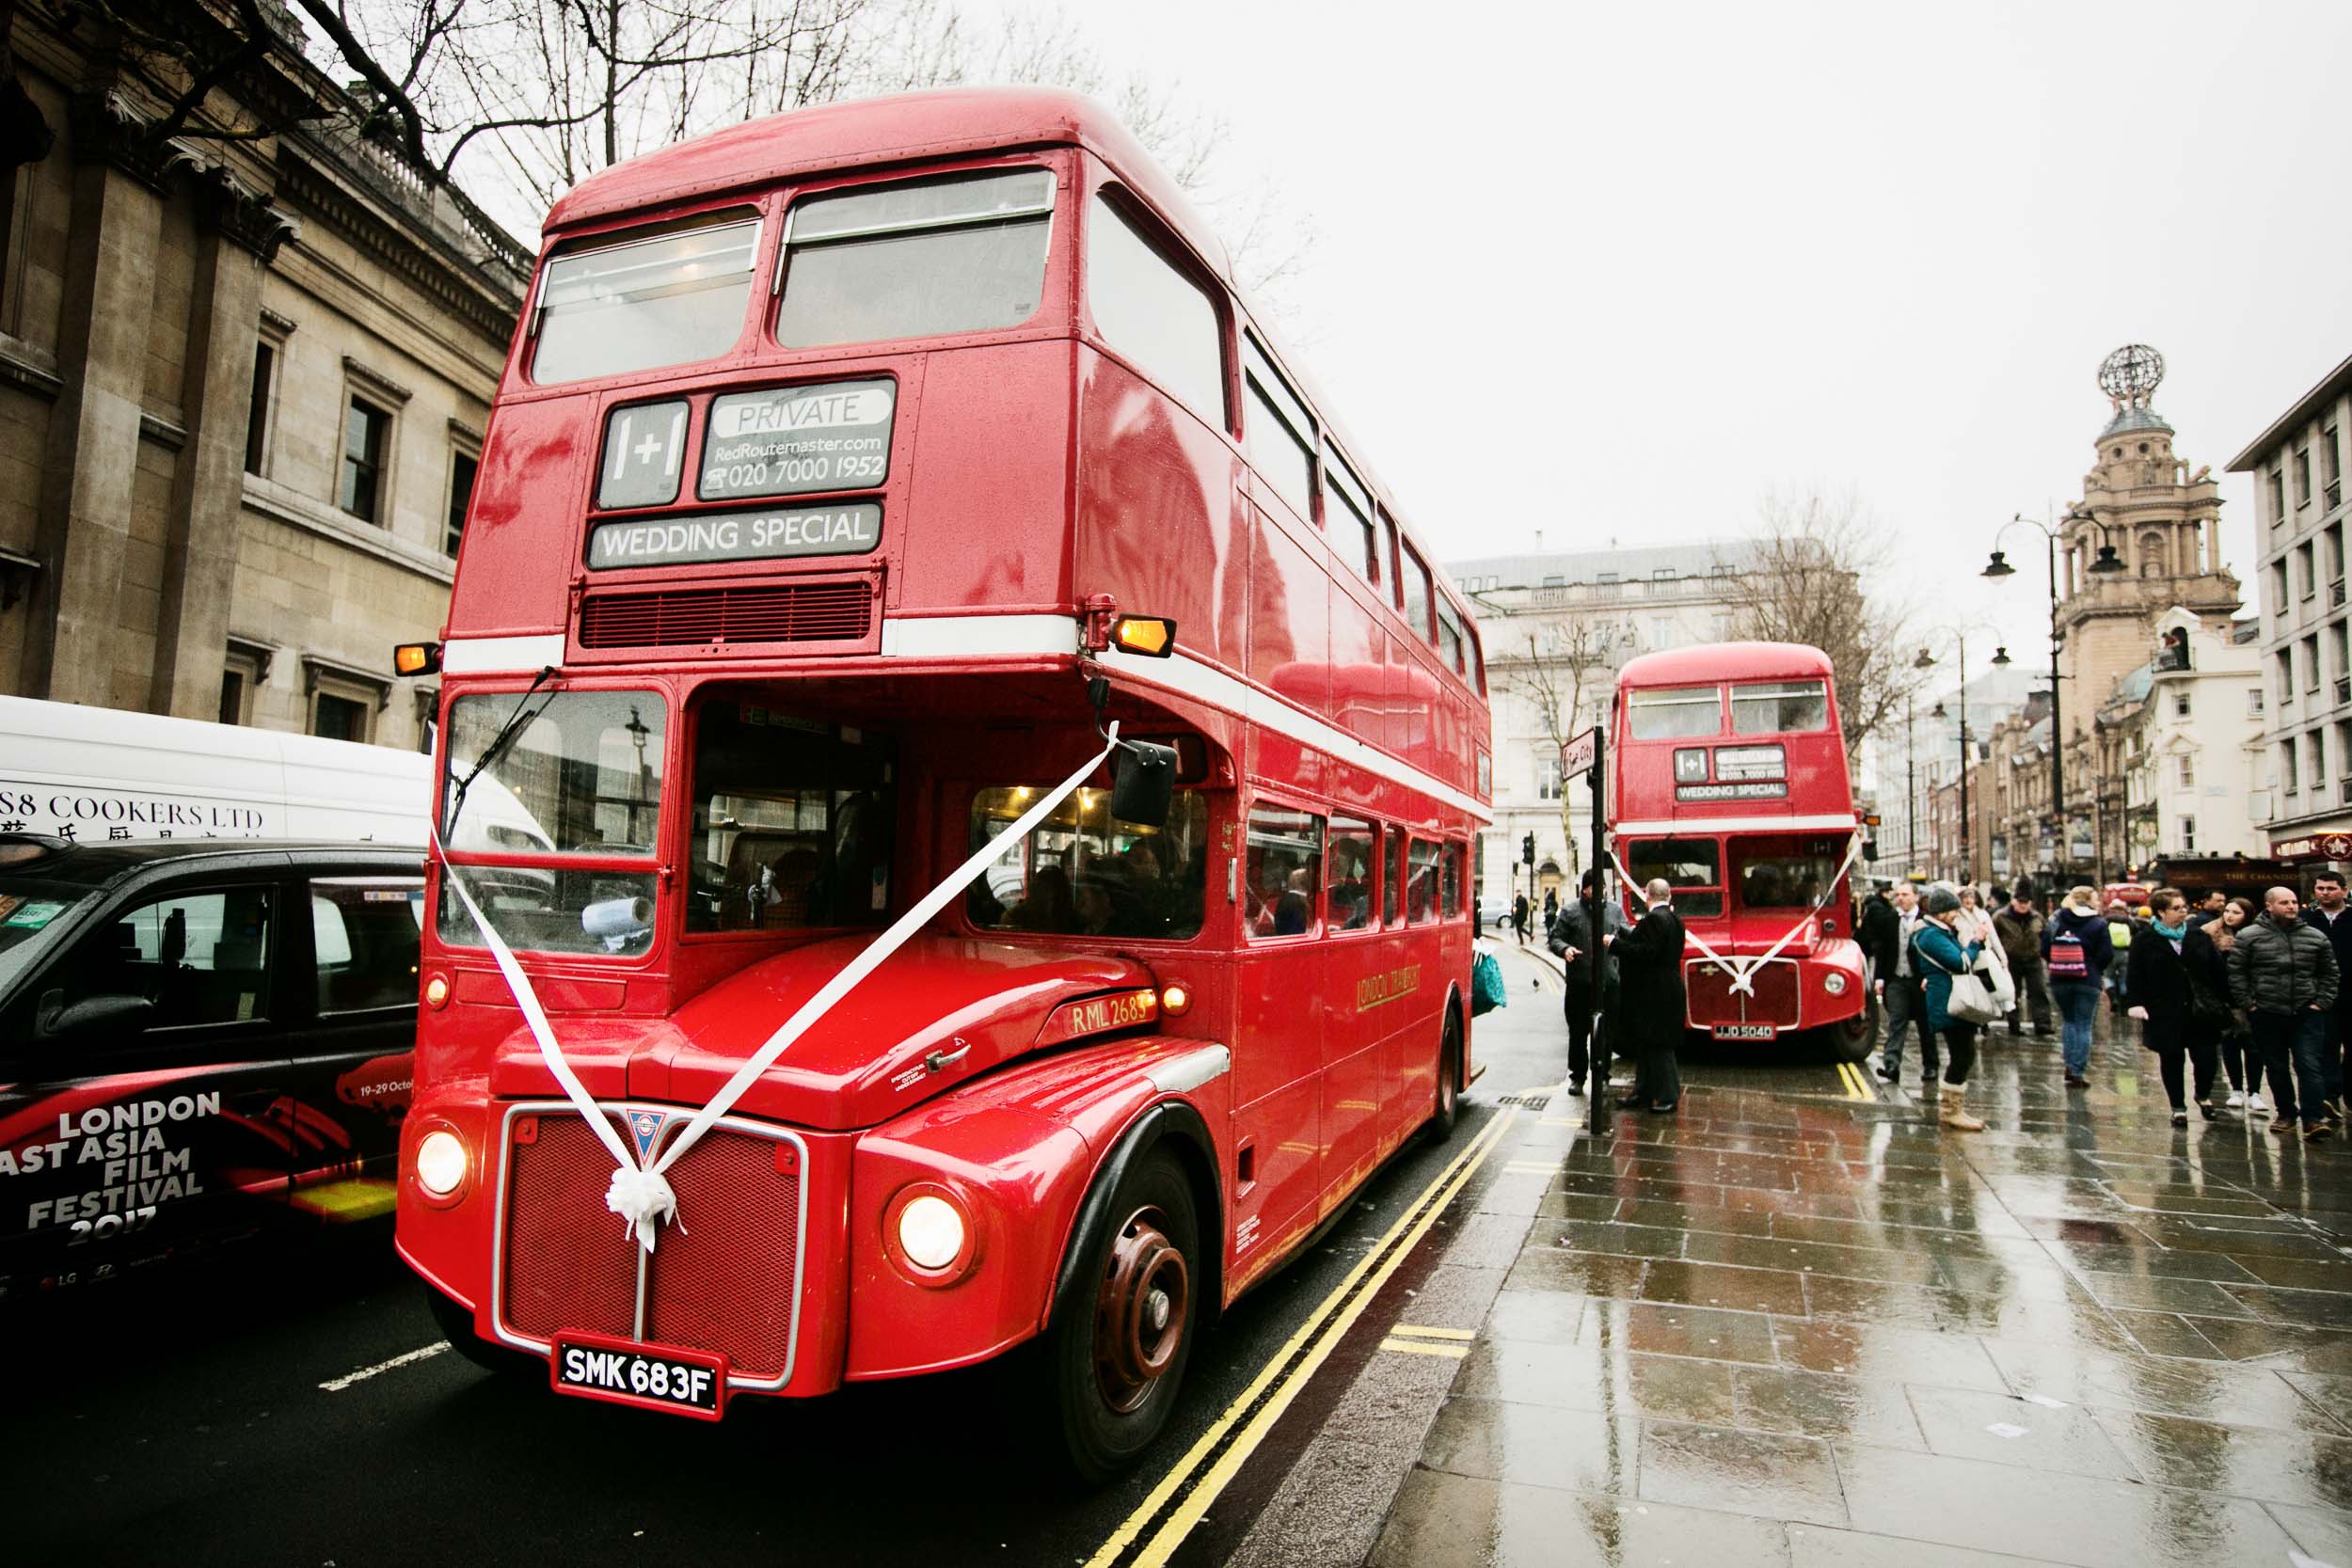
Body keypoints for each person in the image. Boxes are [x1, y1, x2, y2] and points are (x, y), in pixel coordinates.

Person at [2226, 885, 2341, 1142]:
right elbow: (2236, 973)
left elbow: (2330, 972)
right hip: (2267, 1011)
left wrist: (2321, 1002)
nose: (2291, 906)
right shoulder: (2249, 936)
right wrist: (2249, 1004)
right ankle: (2286, 1112)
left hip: (2306, 1011)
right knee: (2276, 1066)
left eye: (2294, 902)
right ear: (2269, 905)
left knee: (2308, 1064)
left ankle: (2312, 1118)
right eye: (2284, 902)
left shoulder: (2314, 936)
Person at [2128, 887, 2224, 1125]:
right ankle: (2178, 1107)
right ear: (2161, 912)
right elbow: (2135, 974)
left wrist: (2226, 1000)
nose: (2184, 912)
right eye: (2177, 908)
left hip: (2199, 1009)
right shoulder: (2145, 940)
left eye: (2184, 907)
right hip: (2164, 1009)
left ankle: (2203, 1094)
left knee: (2206, 1058)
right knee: (2171, 1059)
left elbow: (2218, 971)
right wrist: (2136, 1003)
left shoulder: (2197, 936)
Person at [1604, 878, 1687, 1114]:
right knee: (1647, 1042)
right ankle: (1643, 1091)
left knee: (1660, 1044)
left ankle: (1668, 1097)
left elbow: (1646, 952)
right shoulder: (1674, 919)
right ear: (1669, 896)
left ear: (1647, 896)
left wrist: (1614, 944)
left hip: (1655, 990)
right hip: (1668, 987)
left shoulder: (1653, 920)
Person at [1910, 882, 1986, 1131]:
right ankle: (1951, 1112)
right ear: (1942, 912)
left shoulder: (1939, 932)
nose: (1957, 914)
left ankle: (1954, 1109)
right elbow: (1961, 963)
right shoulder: (1932, 935)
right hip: (1949, 1001)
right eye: (1953, 910)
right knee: (1962, 1054)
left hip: (1949, 997)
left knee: (1964, 1054)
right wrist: (1976, 942)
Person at [1549, 868, 1626, 1097]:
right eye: (1595, 888)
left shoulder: (1615, 911)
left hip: (1608, 982)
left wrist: (1618, 941)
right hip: (1580, 983)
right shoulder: (1570, 911)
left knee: (1606, 1033)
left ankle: (1603, 1075)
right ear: (1585, 889)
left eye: (1602, 888)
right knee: (1578, 1033)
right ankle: (1578, 1077)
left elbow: (1627, 935)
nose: (1600, 892)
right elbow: (1555, 937)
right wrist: (1565, 949)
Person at [2043, 885, 2114, 1087]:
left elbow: (2045, 948)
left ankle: (2068, 1063)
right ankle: (2077, 1069)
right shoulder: (2098, 923)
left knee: (2068, 1021)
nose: (2099, 902)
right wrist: (2094, 968)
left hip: (2059, 978)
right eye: (2096, 898)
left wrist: (2056, 963)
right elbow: (2106, 954)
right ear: (2088, 901)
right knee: (2083, 1024)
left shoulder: (2056, 920)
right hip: (2087, 979)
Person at [2208, 897, 2265, 1113]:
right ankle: (2236, 1090)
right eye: (2227, 911)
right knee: (2230, 1044)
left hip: (2253, 999)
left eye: (2236, 912)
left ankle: (2255, 1092)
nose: (2229, 916)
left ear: (2247, 915)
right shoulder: (2213, 935)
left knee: (2253, 1047)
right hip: (2226, 998)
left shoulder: (2257, 936)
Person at [2304, 871, 2352, 1126]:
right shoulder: (2306, 919)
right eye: (2320, 888)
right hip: (2321, 993)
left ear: (2343, 891)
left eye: (2331, 888)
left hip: (2350, 993)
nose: (2325, 892)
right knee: (2326, 1046)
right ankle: (2330, 1096)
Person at [1871, 881, 1928, 1084]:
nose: (1900, 898)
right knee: (1897, 1020)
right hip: (1896, 979)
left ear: (1916, 896)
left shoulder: (1925, 920)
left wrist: (1930, 975)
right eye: (1898, 895)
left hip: (1920, 980)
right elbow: (1882, 950)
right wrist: (1879, 977)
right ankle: (1891, 1064)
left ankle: (1931, 1066)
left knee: (1925, 1025)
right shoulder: (1889, 919)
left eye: (1905, 894)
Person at [1994, 886, 2055, 1037]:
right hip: (2011, 959)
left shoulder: (2037, 917)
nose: (2023, 905)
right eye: (2020, 902)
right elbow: (1994, 938)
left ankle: (2042, 1024)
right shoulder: (2000, 917)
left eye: (2026, 902)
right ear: (2014, 901)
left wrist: (2045, 954)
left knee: (2039, 991)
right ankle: (2014, 1025)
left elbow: (2045, 936)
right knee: (2013, 993)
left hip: (2033, 959)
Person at [2104, 900, 2136, 1014]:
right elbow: (2135, 931)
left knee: (2108, 976)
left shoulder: (2106, 919)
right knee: (2124, 979)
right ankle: (2124, 1003)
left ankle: (2113, 998)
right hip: (2125, 952)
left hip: (2110, 952)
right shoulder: (2127, 920)